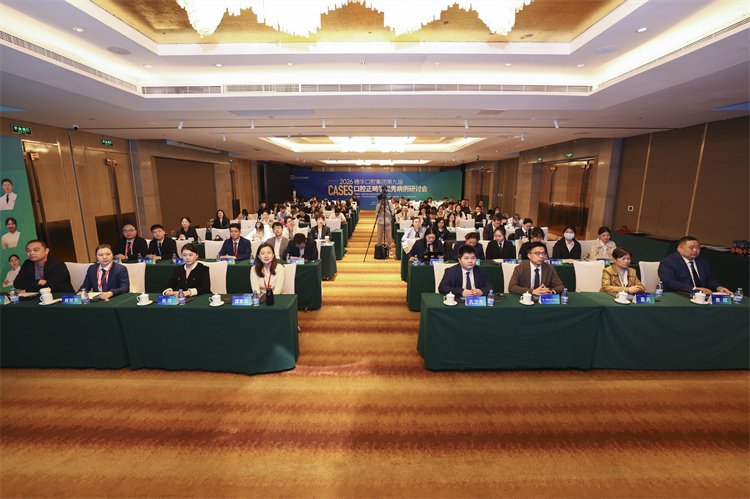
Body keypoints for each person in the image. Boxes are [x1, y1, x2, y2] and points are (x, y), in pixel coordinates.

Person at [658, 236, 732, 295]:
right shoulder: (669, 262)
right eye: (691, 247)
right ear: (680, 248)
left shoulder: (702, 262)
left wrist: (718, 287)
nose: (695, 250)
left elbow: (710, 279)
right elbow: (669, 282)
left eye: (698, 248)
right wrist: (694, 289)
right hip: (678, 295)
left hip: (701, 297)